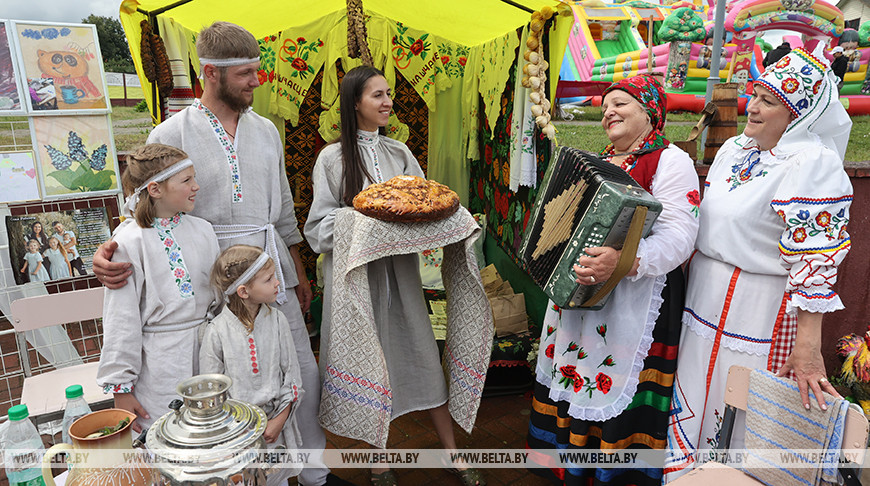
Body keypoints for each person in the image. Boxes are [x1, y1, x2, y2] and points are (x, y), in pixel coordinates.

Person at [90, 21, 343, 486]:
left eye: (256, 71)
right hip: (211, 276)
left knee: (298, 371)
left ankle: (313, 472)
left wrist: (297, 268)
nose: (256, 81)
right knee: (240, 381)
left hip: (270, 269)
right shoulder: (172, 130)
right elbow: (144, 202)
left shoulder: (266, 130)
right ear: (210, 73)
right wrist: (109, 248)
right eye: (246, 73)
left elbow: (283, 205)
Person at [664, 46, 853, 480]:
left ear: (798, 115)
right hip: (704, 298)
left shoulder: (812, 164)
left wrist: (807, 347)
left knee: (741, 407)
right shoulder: (735, 149)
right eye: (756, 94)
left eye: (769, 101)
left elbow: (815, 260)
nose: (753, 106)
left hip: (757, 307)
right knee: (695, 393)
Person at [304, 65, 485, 486]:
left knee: (422, 356)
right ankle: (379, 460)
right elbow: (317, 229)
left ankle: (453, 454)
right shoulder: (331, 158)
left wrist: (455, 220)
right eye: (377, 96)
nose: (388, 102)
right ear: (354, 103)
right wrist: (363, 223)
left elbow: (426, 209)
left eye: (389, 94)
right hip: (355, 281)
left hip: (401, 279)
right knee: (370, 366)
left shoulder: (400, 154)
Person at [525, 74, 700, 486]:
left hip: (636, 297)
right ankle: (570, 465)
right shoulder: (600, 160)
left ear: (650, 112)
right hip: (582, 297)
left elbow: (681, 236)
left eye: (620, 103)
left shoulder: (671, 161)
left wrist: (624, 261)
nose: (609, 112)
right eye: (605, 107)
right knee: (574, 374)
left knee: (613, 380)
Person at [95, 144, 221, 432]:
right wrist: (121, 389)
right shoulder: (129, 242)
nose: (196, 186)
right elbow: (121, 318)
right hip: (159, 364)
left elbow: (219, 298)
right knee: (167, 434)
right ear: (155, 189)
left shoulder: (203, 230)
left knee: (209, 434)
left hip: (208, 353)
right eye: (186, 180)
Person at [202, 245, 304, 486]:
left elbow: (292, 375)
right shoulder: (216, 331)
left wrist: (279, 420)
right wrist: (237, 431)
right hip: (236, 435)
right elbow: (211, 392)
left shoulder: (278, 320)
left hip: (274, 428)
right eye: (269, 279)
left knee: (276, 480)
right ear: (244, 291)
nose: (278, 283)